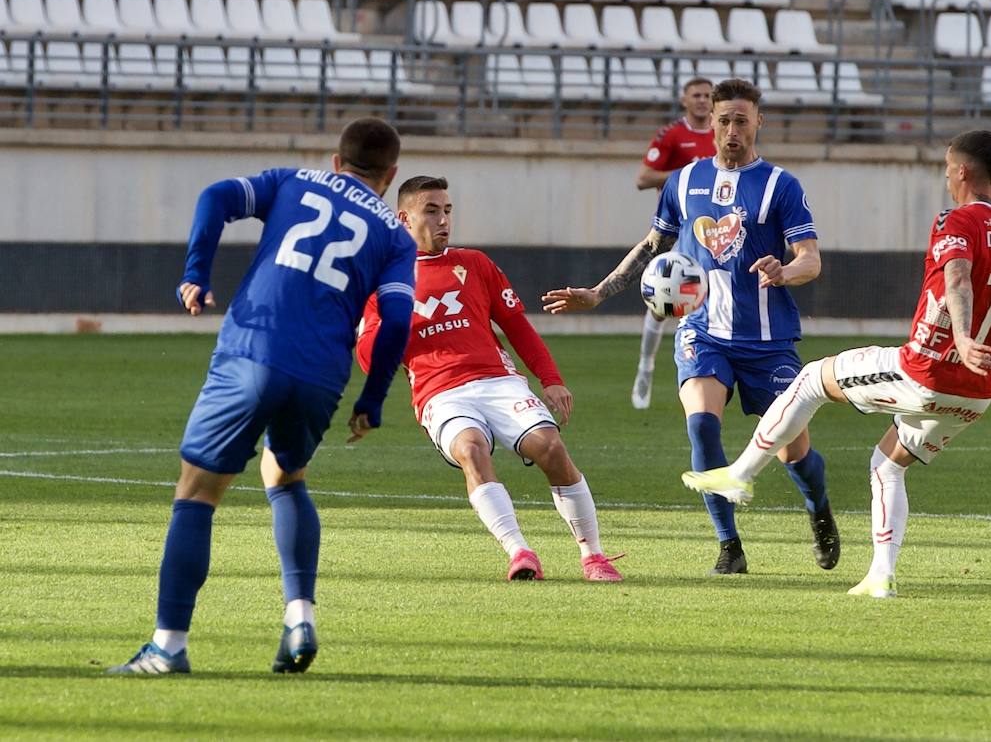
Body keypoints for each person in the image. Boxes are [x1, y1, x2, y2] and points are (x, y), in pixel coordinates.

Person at [683, 130, 991, 598]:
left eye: (946, 166)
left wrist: (960, 335)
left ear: (961, 171)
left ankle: (741, 475)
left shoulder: (955, 221)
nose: (943, 174)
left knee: (812, 378)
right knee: (886, 466)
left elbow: (957, 278)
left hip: (925, 370)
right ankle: (881, 576)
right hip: (976, 393)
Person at [109, 118, 416, 675]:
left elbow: (216, 196)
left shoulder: (293, 180)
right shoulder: (396, 237)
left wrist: (195, 274)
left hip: (253, 347)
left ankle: (168, 646)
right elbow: (396, 321)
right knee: (285, 476)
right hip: (323, 373)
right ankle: (300, 615)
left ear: (336, 160)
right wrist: (372, 399)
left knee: (197, 493)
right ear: (391, 175)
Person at [543, 77, 838, 577]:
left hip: (768, 342)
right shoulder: (683, 180)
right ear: (712, 124)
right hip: (703, 332)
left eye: (741, 121)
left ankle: (820, 511)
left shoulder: (780, 186)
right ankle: (729, 546)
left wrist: (783, 272)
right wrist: (599, 291)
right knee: (702, 425)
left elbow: (810, 259)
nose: (731, 131)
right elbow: (652, 245)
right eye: (723, 121)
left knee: (794, 450)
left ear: (758, 123)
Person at [357, 175, 622, 582]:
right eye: (432, 211)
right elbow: (368, 359)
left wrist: (550, 378)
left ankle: (594, 557)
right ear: (404, 218)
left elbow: (518, 327)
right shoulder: (381, 281)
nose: (443, 219)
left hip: (498, 381)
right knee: (471, 449)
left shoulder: (475, 264)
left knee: (550, 447)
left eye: (447, 210)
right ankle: (520, 552)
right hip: (439, 393)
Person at [631, 76, 716, 410]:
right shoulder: (672, 135)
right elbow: (643, 178)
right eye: (696, 95)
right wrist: (686, 173)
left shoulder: (721, 134)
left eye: (707, 95)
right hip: (677, 230)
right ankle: (645, 366)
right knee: (661, 301)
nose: (701, 100)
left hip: (713, 233)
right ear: (684, 100)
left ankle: (708, 373)